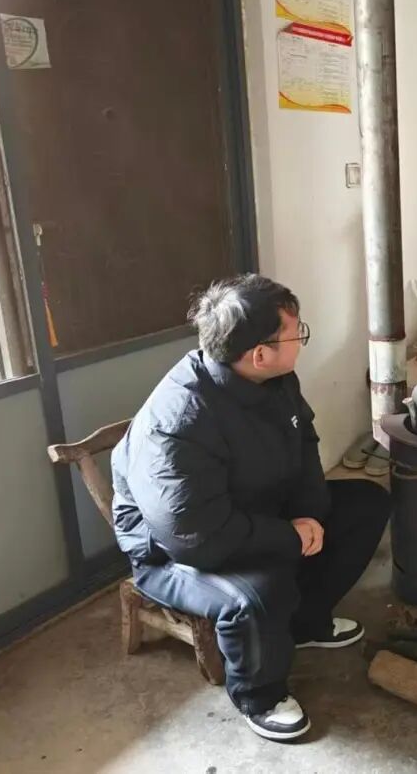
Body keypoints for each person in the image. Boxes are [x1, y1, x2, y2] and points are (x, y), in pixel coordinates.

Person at [111, 274, 390, 741]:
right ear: (259, 354)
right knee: (257, 593)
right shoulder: (179, 421)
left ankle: (305, 623)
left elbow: (304, 441)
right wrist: (288, 535)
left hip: (250, 507)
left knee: (365, 505)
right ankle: (259, 696)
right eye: (296, 334)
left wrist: (308, 514)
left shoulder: (275, 378)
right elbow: (197, 538)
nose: (301, 342)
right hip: (172, 551)